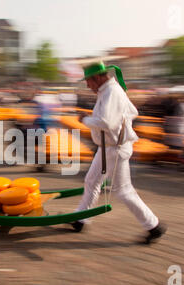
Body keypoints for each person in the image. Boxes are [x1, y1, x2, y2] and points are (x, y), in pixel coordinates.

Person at [71, 62, 167, 244]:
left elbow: (107, 122)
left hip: (114, 149)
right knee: (91, 181)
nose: (87, 85)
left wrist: (86, 119)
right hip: (108, 148)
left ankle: (153, 226)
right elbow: (132, 111)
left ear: (98, 77)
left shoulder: (112, 92)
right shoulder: (108, 91)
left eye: (88, 81)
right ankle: (80, 219)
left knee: (123, 191)